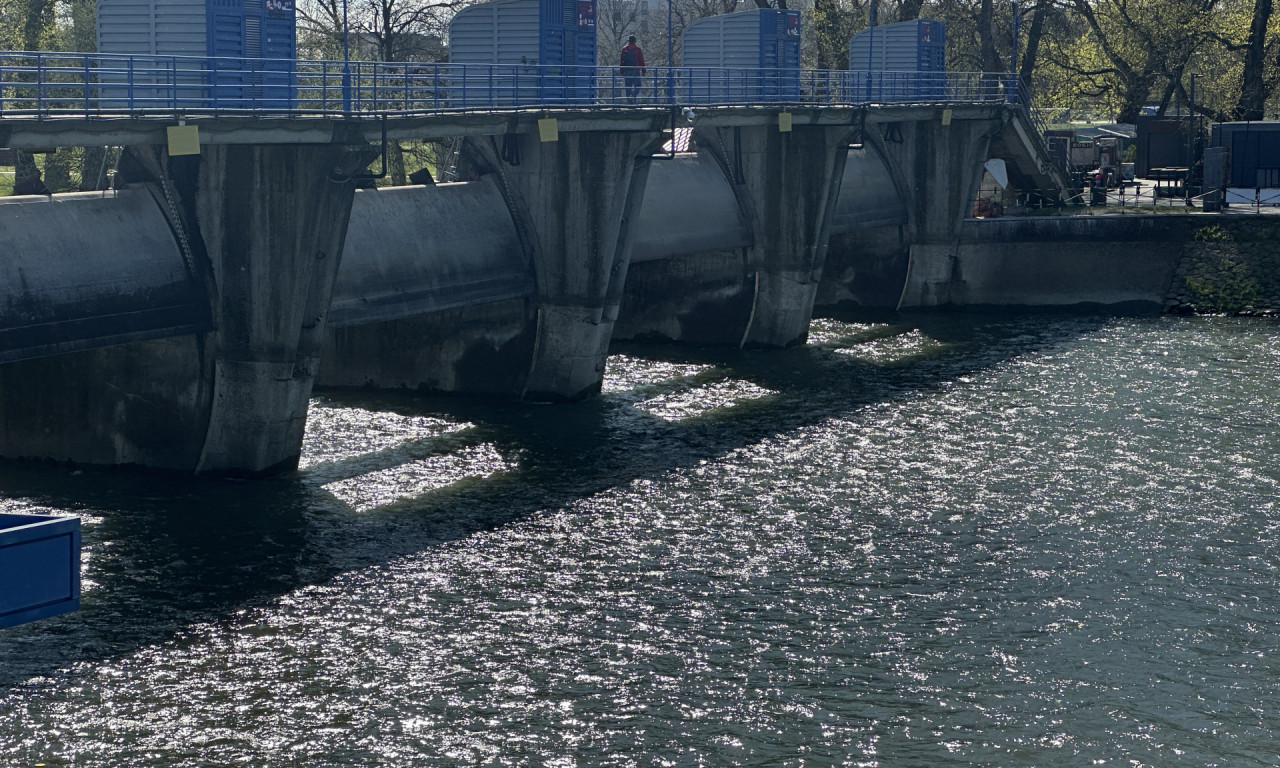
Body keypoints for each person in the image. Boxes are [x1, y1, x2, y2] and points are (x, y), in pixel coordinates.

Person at [619, 35, 646, 104]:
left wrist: (622, 70)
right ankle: (633, 97)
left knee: (628, 87)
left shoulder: (624, 49)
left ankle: (629, 104)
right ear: (635, 41)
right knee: (638, 85)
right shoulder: (638, 49)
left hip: (627, 70)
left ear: (628, 41)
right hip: (636, 70)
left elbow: (621, 60)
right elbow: (641, 61)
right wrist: (643, 71)